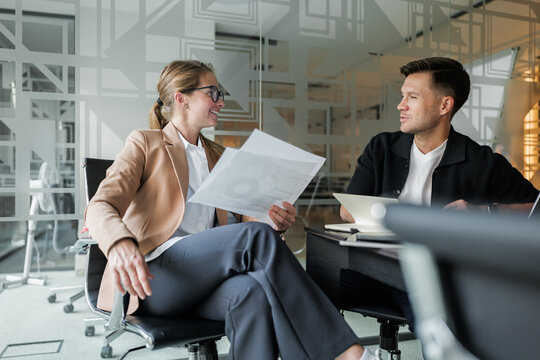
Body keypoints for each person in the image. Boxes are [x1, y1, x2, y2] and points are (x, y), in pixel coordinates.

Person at [85, 60, 377, 360]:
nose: (221, 101)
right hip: (154, 277)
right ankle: (345, 353)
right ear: (181, 98)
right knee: (255, 237)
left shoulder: (218, 156)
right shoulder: (146, 143)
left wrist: (273, 222)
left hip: (205, 277)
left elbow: (249, 220)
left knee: (250, 294)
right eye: (212, 92)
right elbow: (100, 205)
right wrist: (120, 243)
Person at [341, 57, 539, 329]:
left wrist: (486, 211)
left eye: (412, 97)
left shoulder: (481, 161)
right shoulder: (382, 147)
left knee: (440, 328)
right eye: (402, 96)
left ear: (445, 105)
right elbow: (347, 209)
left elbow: (535, 207)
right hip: (370, 267)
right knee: (303, 290)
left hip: (430, 276)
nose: (401, 105)